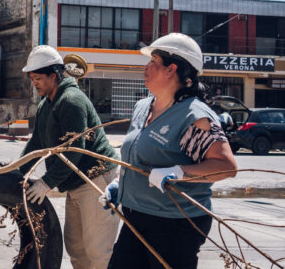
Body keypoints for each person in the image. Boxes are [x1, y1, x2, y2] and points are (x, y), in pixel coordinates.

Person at [102, 33, 238, 269]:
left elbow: (226, 167)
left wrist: (179, 171)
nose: (146, 67)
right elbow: (139, 156)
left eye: (153, 62)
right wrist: (120, 185)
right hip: (136, 216)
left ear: (171, 69)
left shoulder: (194, 116)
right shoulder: (143, 107)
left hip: (175, 224)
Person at [18, 45, 120, 269]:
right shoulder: (47, 104)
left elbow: (74, 150)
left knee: (98, 251)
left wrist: (47, 182)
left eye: (37, 78)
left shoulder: (71, 100)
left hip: (96, 180)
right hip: (75, 182)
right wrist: (18, 172)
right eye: (32, 78)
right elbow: (36, 144)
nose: (34, 83)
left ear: (53, 76)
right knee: (76, 247)